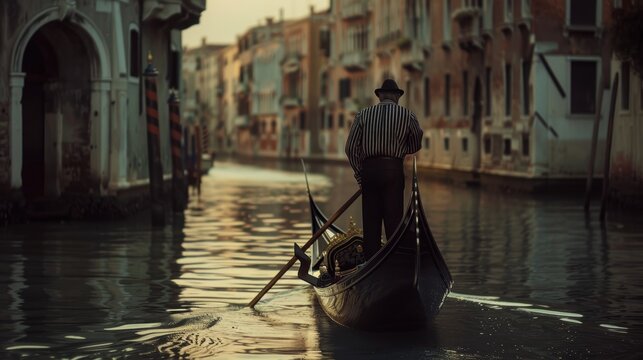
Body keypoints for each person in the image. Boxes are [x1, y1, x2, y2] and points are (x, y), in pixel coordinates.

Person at [345, 79, 423, 258]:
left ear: (379, 96)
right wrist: (403, 149)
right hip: (393, 171)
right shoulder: (408, 115)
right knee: (393, 221)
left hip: (369, 171)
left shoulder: (363, 115)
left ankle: (371, 262)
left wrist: (360, 174)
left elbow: (350, 149)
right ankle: (393, 260)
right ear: (397, 96)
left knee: (371, 223)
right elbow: (416, 140)